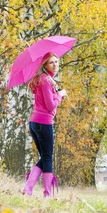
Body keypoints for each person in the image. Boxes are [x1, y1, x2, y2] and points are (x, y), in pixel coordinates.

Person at [20, 52, 67, 198]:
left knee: (44, 157)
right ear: (45, 65)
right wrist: (59, 96)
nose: (55, 65)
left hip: (35, 123)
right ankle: (47, 194)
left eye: (56, 62)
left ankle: (28, 190)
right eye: (51, 62)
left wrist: (57, 93)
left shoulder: (45, 80)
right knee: (47, 158)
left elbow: (48, 102)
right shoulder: (45, 80)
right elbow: (51, 106)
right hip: (43, 123)